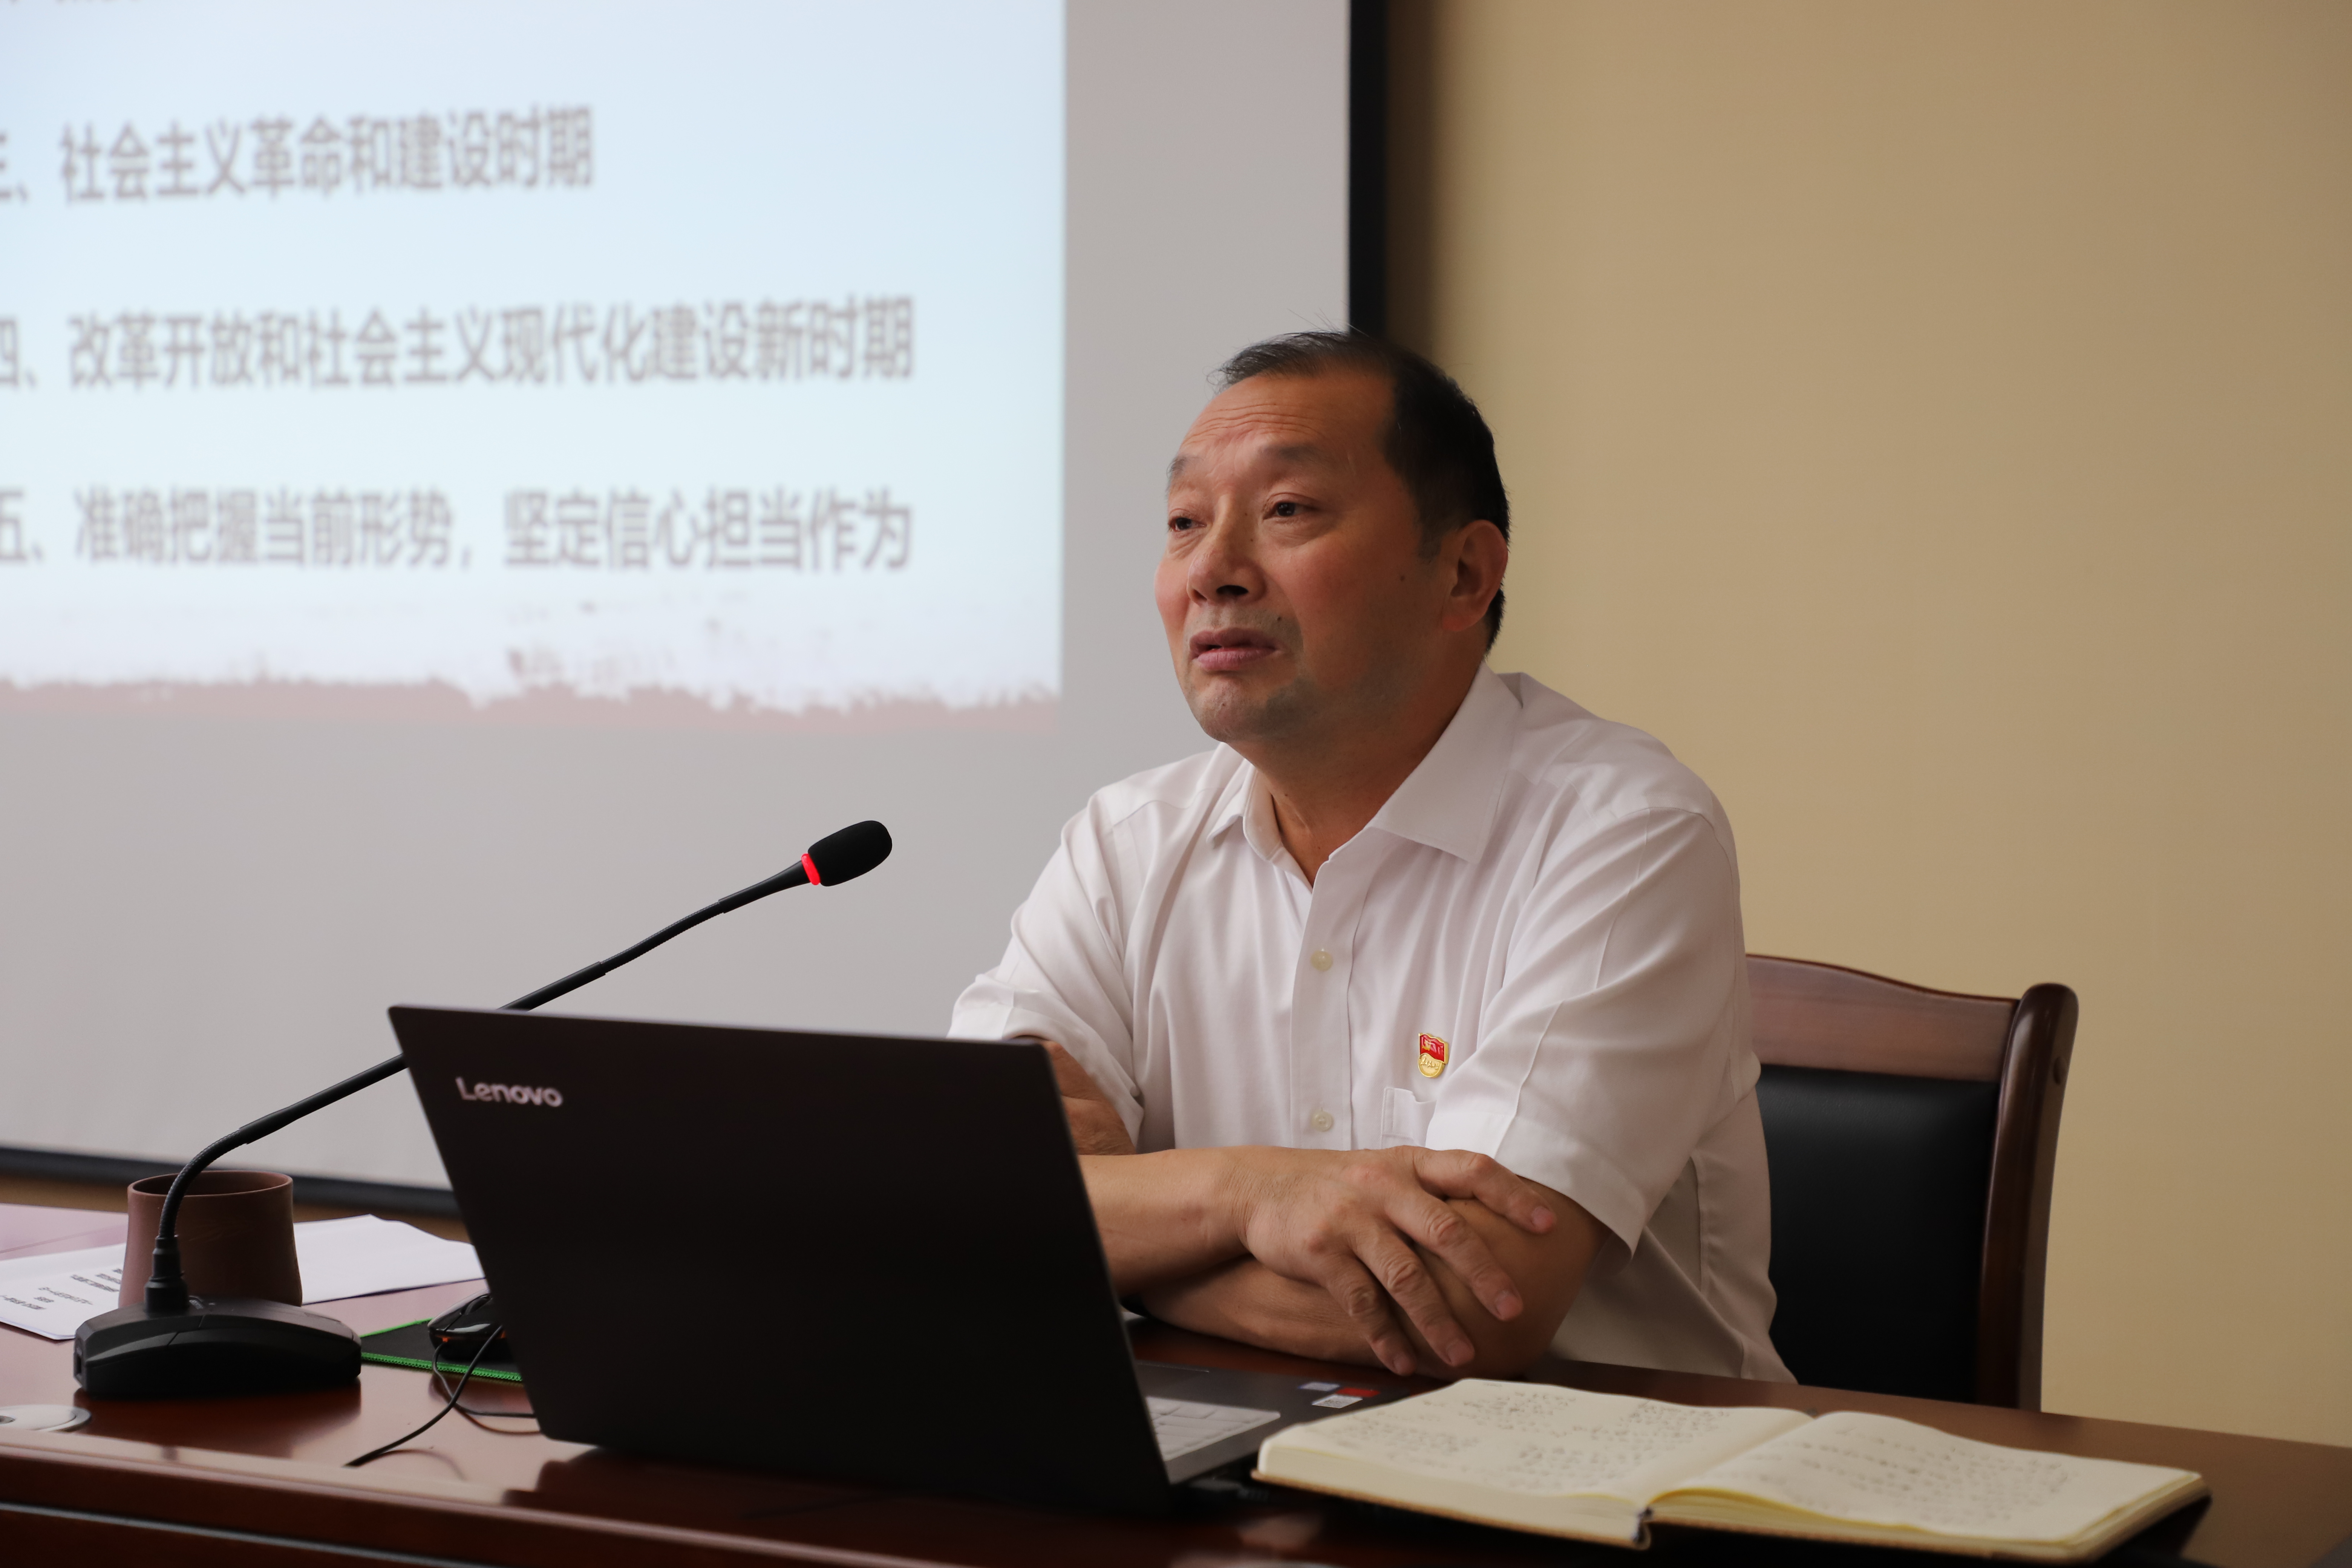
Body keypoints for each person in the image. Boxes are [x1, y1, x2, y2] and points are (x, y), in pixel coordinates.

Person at [951, 331, 1790, 1383]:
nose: (1211, 571)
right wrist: (1249, 1196)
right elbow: (975, 1193)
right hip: (1238, 1449)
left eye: (1287, 509)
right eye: (1184, 522)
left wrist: (1116, 1254)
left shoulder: (1625, 834)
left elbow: (1469, 1305)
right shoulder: (1126, 846)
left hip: (1606, 1465)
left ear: (1464, 574)